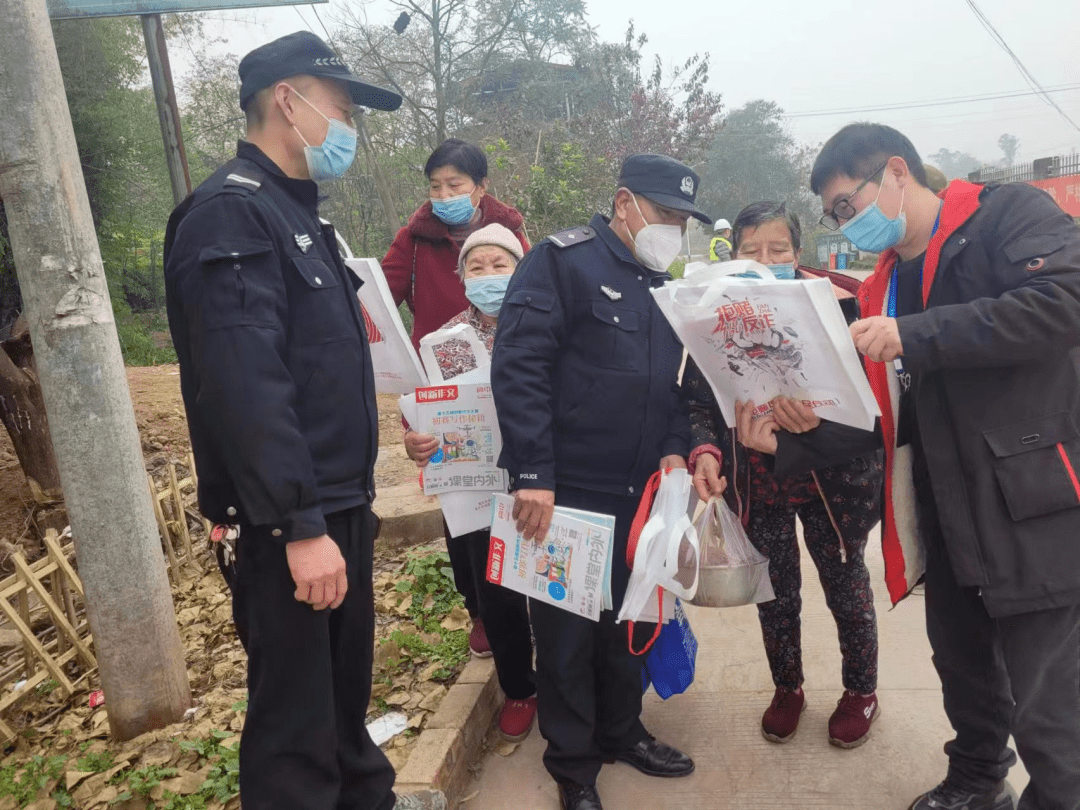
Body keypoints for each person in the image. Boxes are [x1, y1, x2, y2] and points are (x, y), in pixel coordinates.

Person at [163, 31, 444, 810]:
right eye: (344, 109)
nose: (350, 126)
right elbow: (246, 386)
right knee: (295, 728)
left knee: (340, 704)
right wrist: (298, 524)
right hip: (289, 520)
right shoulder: (230, 218)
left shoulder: (293, 216)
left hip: (334, 503)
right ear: (289, 101)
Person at [811, 122, 1080, 810]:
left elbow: (1063, 303)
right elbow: (875, 417)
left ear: (898, 172)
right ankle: (976, 776)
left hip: (1030, 502)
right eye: (835, 216)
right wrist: (784, 436)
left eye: (848, 205)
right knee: (964, 668)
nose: (847, 223)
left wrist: (917, 334)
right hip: (943, 503)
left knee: (1052, 705)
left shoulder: (1007, 217)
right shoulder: (882, 285)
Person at [491, 153, 703, 810]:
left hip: (637, 492)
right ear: (624, 203)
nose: (673, 228)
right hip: (563, 494)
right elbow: (520, 366)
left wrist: (673, 450)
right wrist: (532, 473)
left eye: (681, 219)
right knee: (564, 636)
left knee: (623, 625)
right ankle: (574, 768)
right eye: (664, 213)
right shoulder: (561, 261)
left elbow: (673, 390)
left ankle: (622, 731)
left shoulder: (662, 282)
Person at [685, 201, 884, 749]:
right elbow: (700, 400)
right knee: (776, 592)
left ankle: (860, 691)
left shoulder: (843, 303)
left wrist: (815, 423)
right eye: (752, 251)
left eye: (779, 250)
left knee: (846, 586)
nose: (766, 260)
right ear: (734, 253)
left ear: (799, 253)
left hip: (834, 482)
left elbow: (875, 406)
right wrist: (708, 450)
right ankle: (788, 687)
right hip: (760, 481)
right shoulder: (713, 310)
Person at [402, 224, 538, 742]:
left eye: (498, 265)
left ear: (520, 268)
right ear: (462, 279)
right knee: (496, 589)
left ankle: (566, 679)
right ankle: (519, 688)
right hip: (477, 483)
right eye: (475, 268)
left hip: (543, 476)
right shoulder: (446, 343)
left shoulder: (543, 322)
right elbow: (429, 412)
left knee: (552, 583)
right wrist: (418, 440)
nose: (487, 276)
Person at [382, 138, 529, 352]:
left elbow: (536, 296)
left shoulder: (512, 237)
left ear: (481, 186)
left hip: (506, 360)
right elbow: (379, 306)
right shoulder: (412, 241)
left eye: (454, 185)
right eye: (435, 186)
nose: (444, 195)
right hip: (436, 368)